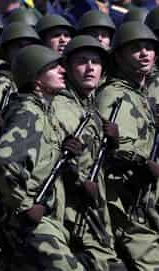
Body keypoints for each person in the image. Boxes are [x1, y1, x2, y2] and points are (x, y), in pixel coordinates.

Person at [0, 44, 88, 270]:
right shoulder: (28, 112)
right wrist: (24, 206)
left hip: (38, 216)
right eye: (54, 68)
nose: (62, 71)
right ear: (36, 79)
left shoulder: (41, 110)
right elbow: (3, 162)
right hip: (29, 218)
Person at [52, 35, 127, 271]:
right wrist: (78, 179)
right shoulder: (61, 106)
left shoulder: (88, 105)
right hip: (68, 210)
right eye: (82, 61)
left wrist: (114, 143)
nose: (90, 68)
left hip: (92, 208)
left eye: (95, 62)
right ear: (68, 68)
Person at [96, 21, 159, 270]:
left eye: (149, 47)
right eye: (135, 49)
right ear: (119, 57)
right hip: (127, 199)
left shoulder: (140, 93)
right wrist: (143, 161)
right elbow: (112, 147)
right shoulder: (114, 94)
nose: (145, 53)